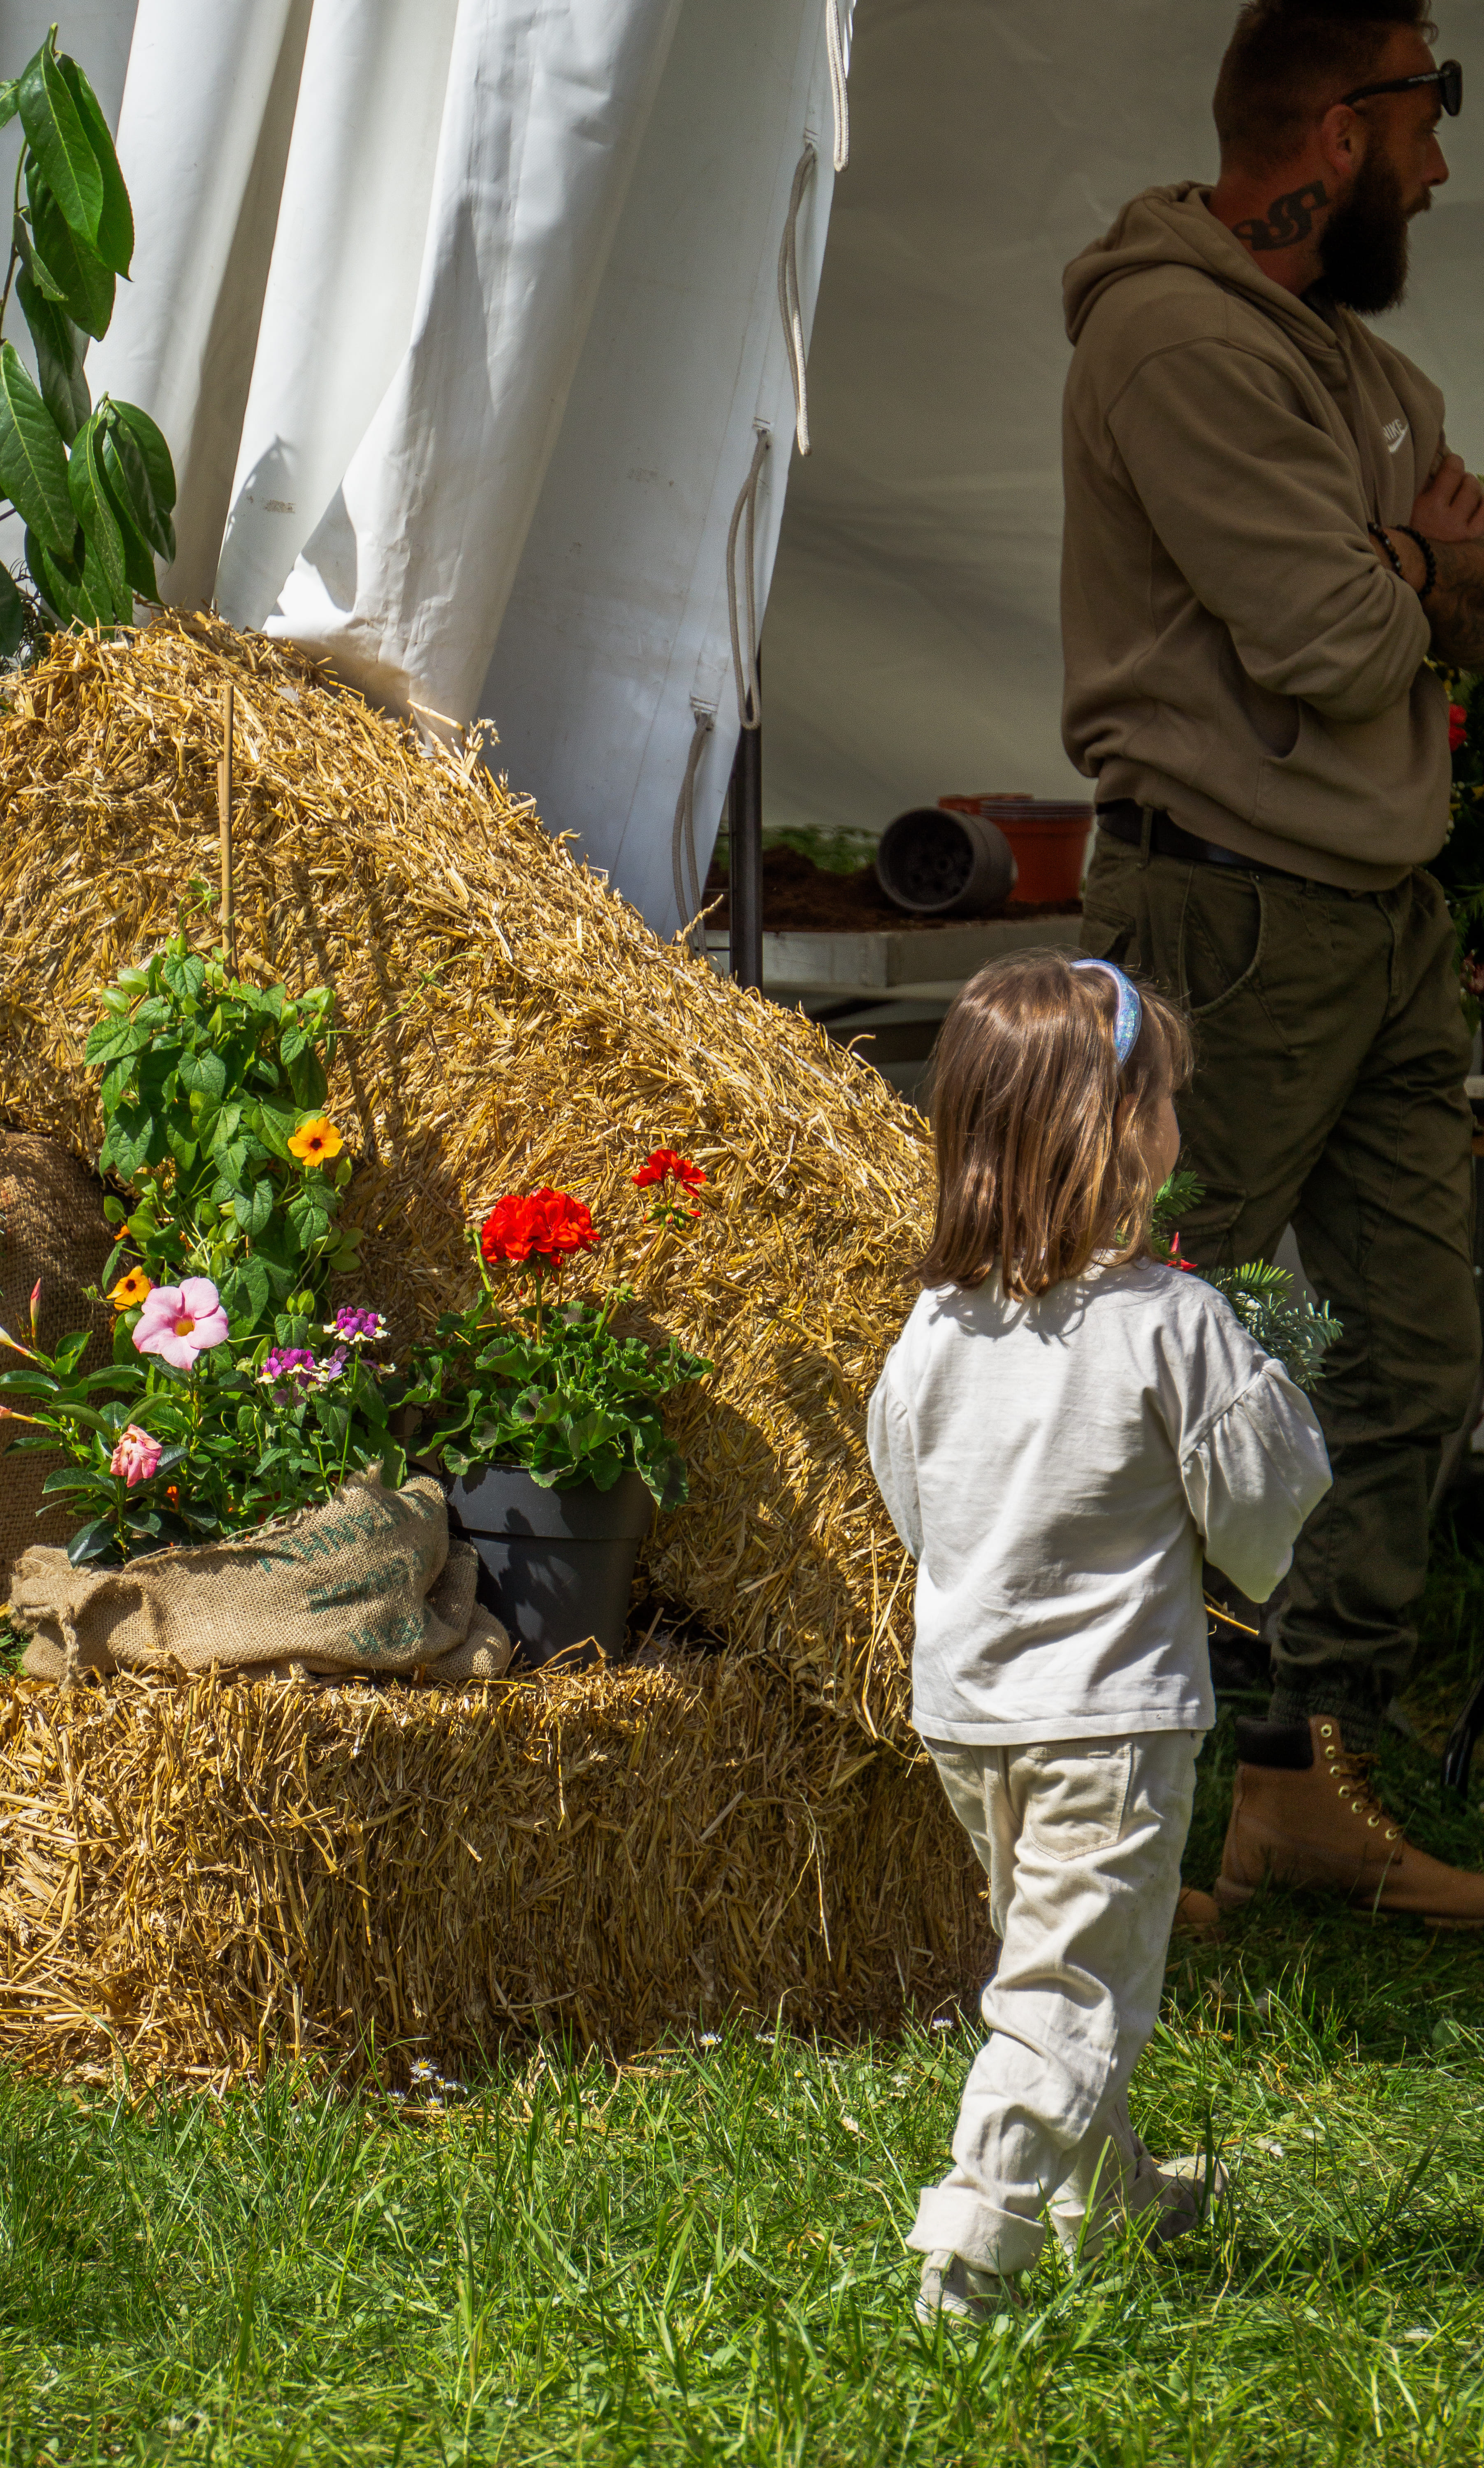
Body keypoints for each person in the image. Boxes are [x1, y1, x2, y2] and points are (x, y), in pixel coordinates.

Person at [1062, 0, 1484, 1921]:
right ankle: (1093, 1801)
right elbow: (1332, 637)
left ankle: (1304, 1781)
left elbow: (1452, 595)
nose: (1440, 162)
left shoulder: (1355, 364)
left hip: (1378, 914)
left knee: (1411, 1357)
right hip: (1225, 918)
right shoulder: (1174, 341)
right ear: (1334, 132)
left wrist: (1417, 573)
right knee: (1144, 1355)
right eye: (1427, 115)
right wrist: (1411, 566)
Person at [868, 951, 1331, 2325]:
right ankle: (975, 2243)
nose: (1180, 1120)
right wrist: (1275, 1402)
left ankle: (1104, 2191)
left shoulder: (937, 1326)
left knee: (1056, 1960)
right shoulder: (1173, 1324)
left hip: (970, 1715)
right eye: (1167, 1096)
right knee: (1074, 1990)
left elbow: (910, 1495)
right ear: (1122, 1132)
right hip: (1113, 1724)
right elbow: (1261, 1508)